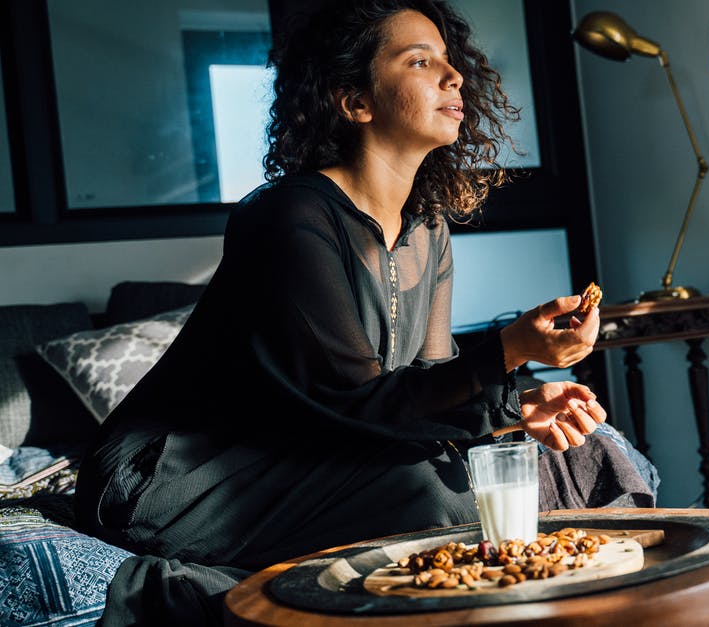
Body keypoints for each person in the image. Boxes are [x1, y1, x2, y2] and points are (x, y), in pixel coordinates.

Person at [73, 1, 644, 623]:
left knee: (583, 452)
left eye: (451, 62)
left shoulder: (426, 228)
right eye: (420, 61)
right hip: (182, 478)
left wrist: (516, 409)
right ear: (354, 101)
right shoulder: (290, 218)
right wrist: (508, 353)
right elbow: (358, 404)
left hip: (317, 441)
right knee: (439, 495)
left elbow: (424, 392)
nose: (454, 77)